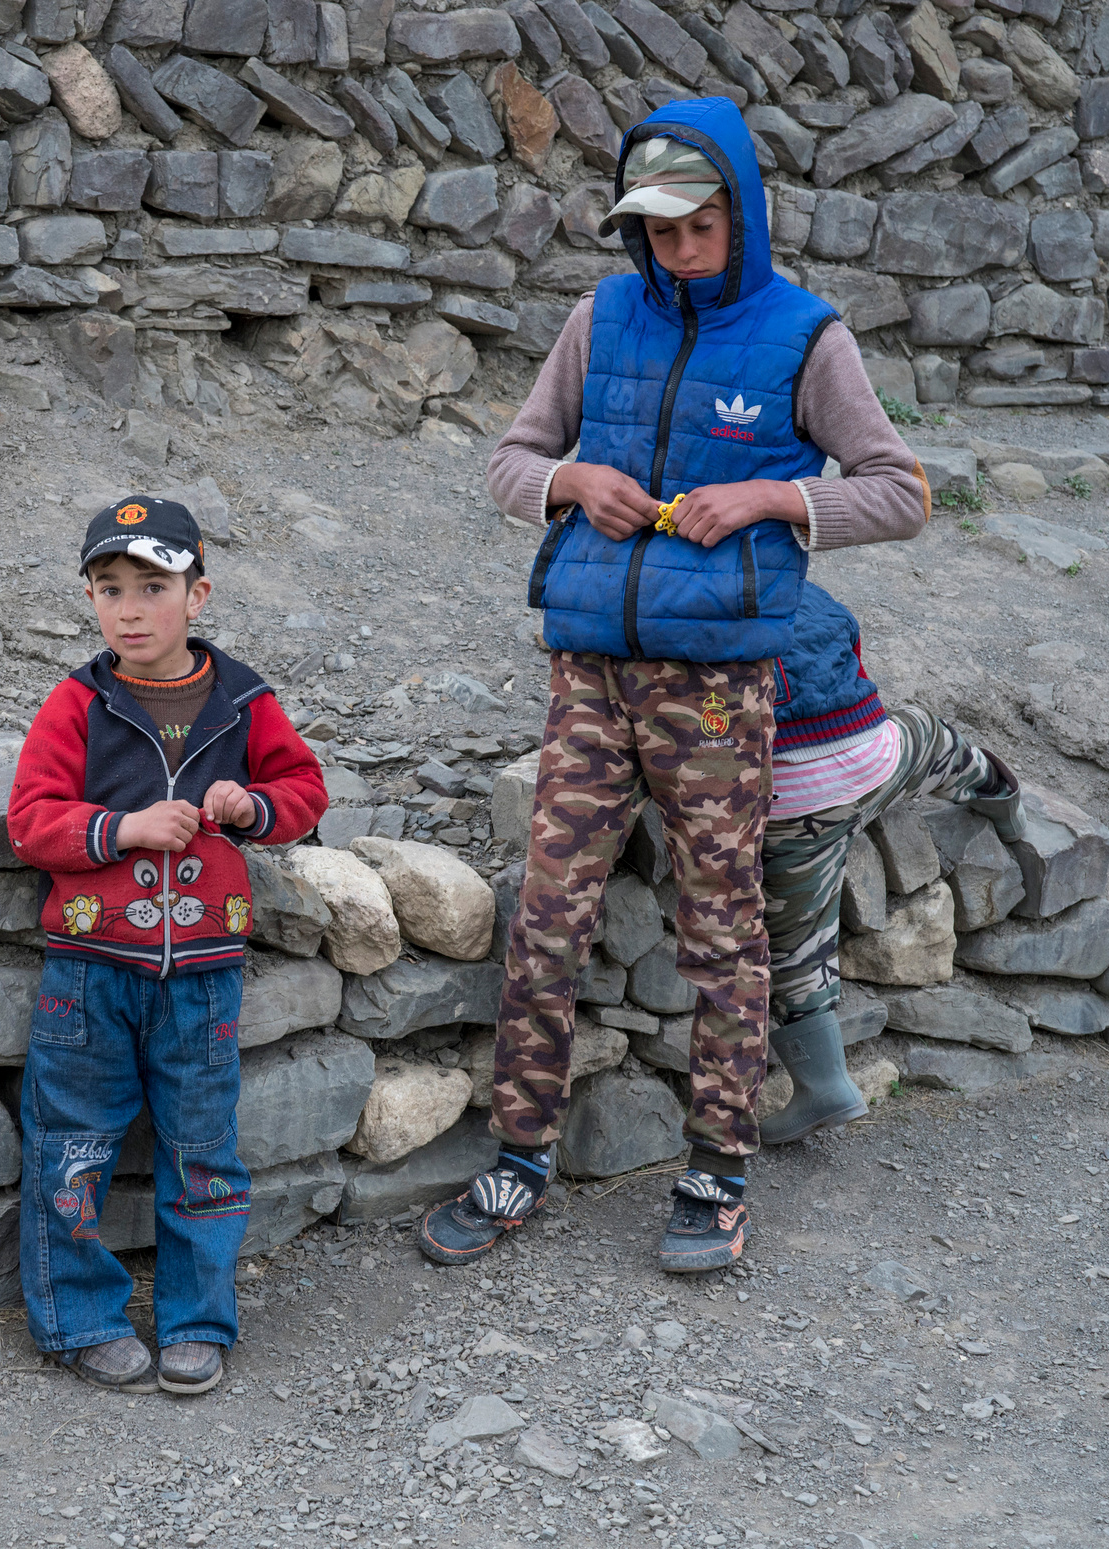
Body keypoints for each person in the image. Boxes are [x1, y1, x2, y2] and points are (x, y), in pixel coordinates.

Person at [425, 98, 929, 1274]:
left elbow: (901, 491)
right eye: (659, 231)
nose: (681, 250)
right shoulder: (599, 317)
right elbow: (504, 460)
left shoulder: (807, 339)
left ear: (742, 216)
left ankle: (715, 1171)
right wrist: (568, 481)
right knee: (547, 915)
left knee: (720, 930)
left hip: (718, 693)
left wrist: (772, 499)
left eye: (702, 227)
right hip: (590, 673)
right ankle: (518, 1157)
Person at [5, 496, 329, 1396]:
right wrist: (124, 827)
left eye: (154, 585)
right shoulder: (77, 703)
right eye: (109, 588)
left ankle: (196, 1320)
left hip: (204, 979)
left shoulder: (244, 701)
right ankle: (79, 1318)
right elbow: (30, 821)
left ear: (199, 594)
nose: (130, 608)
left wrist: (251, 808)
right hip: (90, 971)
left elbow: (304, 787)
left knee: (203, 1150)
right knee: (70, 1144)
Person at [754, 584, 1028, 1142]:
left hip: (792, 799)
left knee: (796, 942)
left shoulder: (686, 604)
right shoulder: (811, 594)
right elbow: (855, 669)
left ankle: (824, 1084)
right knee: (927, 735)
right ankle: (998, 792)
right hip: (871, 759)